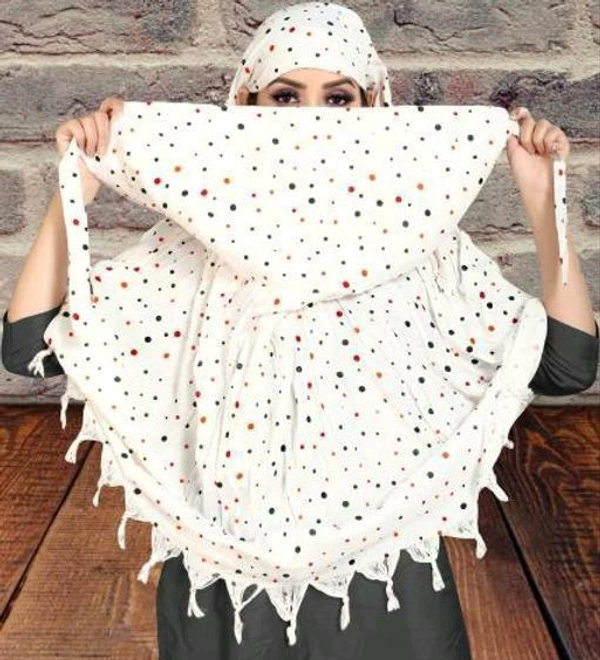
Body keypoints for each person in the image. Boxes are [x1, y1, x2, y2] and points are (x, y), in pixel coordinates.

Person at [2, 3, 598, 659]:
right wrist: (77, 184)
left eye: (338, 99)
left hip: (386, 590)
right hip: (227, 595)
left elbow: (566, 365)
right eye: (286, 96)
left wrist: (541, 196)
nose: (311, 118)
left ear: (373, 110)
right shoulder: (196, 244)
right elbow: (31, 349)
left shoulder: (419, 247)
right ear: (247, 105)